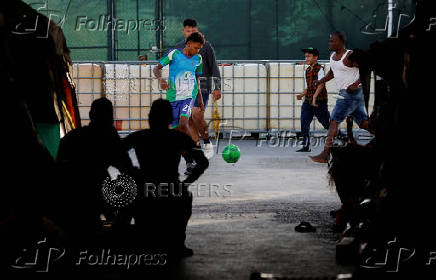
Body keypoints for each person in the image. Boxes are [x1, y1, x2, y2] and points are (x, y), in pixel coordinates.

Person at [123, 98, 209, 258]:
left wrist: (132, 172)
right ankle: (177, 243)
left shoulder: (139, 137)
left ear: (150, 118)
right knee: (185, 198)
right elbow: (203, 162)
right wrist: (185, 184)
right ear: (170, 119)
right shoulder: (178, 138)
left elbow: (115, 152)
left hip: (144, 190)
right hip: (171, 190)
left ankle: (135, 238)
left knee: (127, 196)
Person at [56, 97, 134, 241]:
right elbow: (127, 168)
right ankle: (116, 234)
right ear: (111, 118)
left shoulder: (72, 138)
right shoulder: (109, 138)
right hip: (90, 197)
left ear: (91, 116)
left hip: (67, 200)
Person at [310, 31, 369, 163]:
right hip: (351, 95)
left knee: (334, 122)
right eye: (329, 40)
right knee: (364, 123)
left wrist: (355, 84)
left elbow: (366, 68)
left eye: (333, 41)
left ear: (341, 42)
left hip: (349, 94)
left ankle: (325, 154)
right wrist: (321, 81)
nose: (329, 43)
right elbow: (333, 72)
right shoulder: (333, 56)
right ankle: (388, 139)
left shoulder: (349, 56)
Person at [173, 18, 222, 163]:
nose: (191, 33)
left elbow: (214, 66)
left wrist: (217, 87)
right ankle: (196, 148)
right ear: (183, 31)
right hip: (184, 90)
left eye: (194, 31)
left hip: (203, 87)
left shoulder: (205, 46)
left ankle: (207, 141)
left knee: (196, 115)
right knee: (188, 121)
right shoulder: (178, 48)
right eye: (188, 31)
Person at [296, 47, 331, 152]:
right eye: (305, 56)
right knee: (304, 122)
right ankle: (306, 145)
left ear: (315, 57)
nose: (306, 58)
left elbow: (321, 84)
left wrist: (315, 98)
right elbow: (309, 87)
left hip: (320, 100)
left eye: (308, 56)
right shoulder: (307, 70)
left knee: (325, 122)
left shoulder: (320, 68)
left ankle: (341, 136)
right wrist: (302, 95)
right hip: (308, 101)